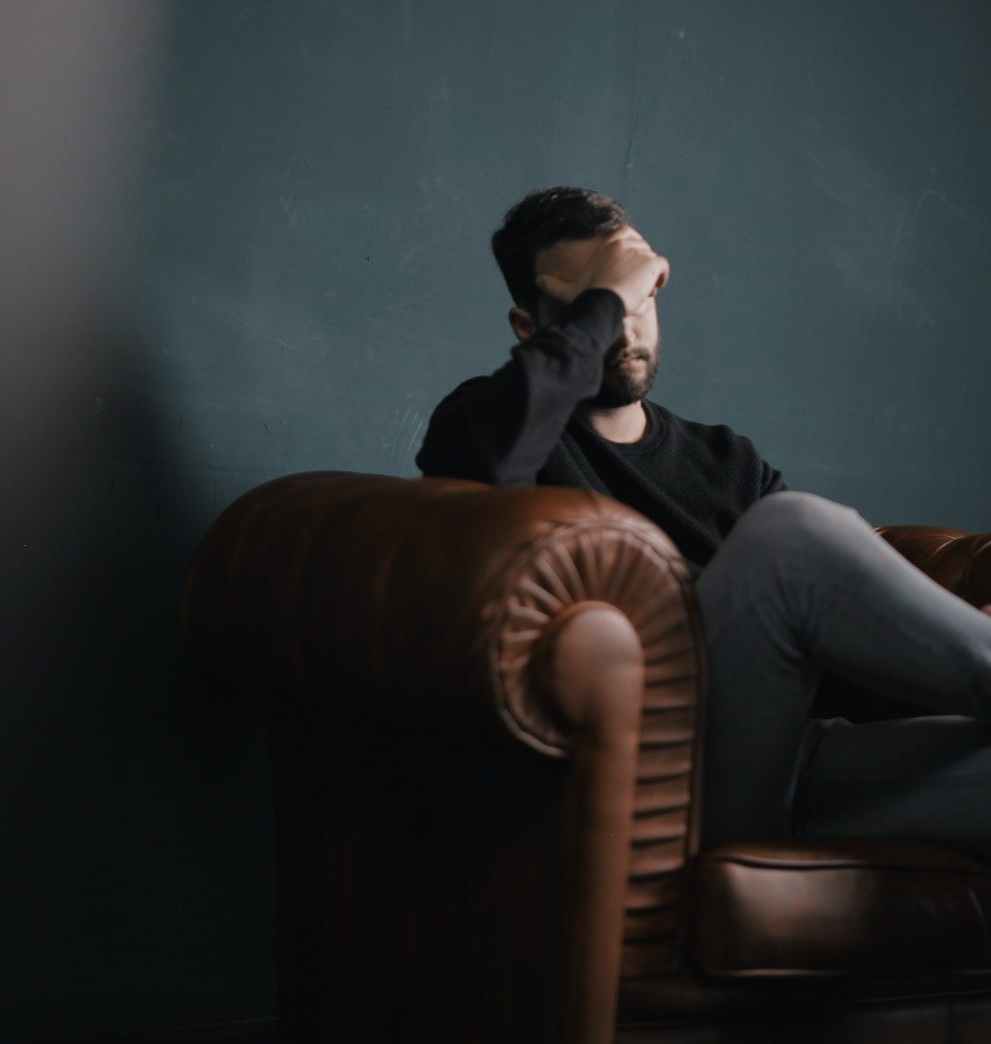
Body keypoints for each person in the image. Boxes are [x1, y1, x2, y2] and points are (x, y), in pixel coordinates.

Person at [416, 186, 991, 857]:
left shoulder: (727, 461)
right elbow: (487, 464)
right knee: (790, 531)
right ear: (530, 327)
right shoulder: (486, 426)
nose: (626, 330)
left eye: (640, 300)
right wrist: (606, 297)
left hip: (792, 769)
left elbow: (844, 665)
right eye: (599, 307)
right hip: (669, 782)